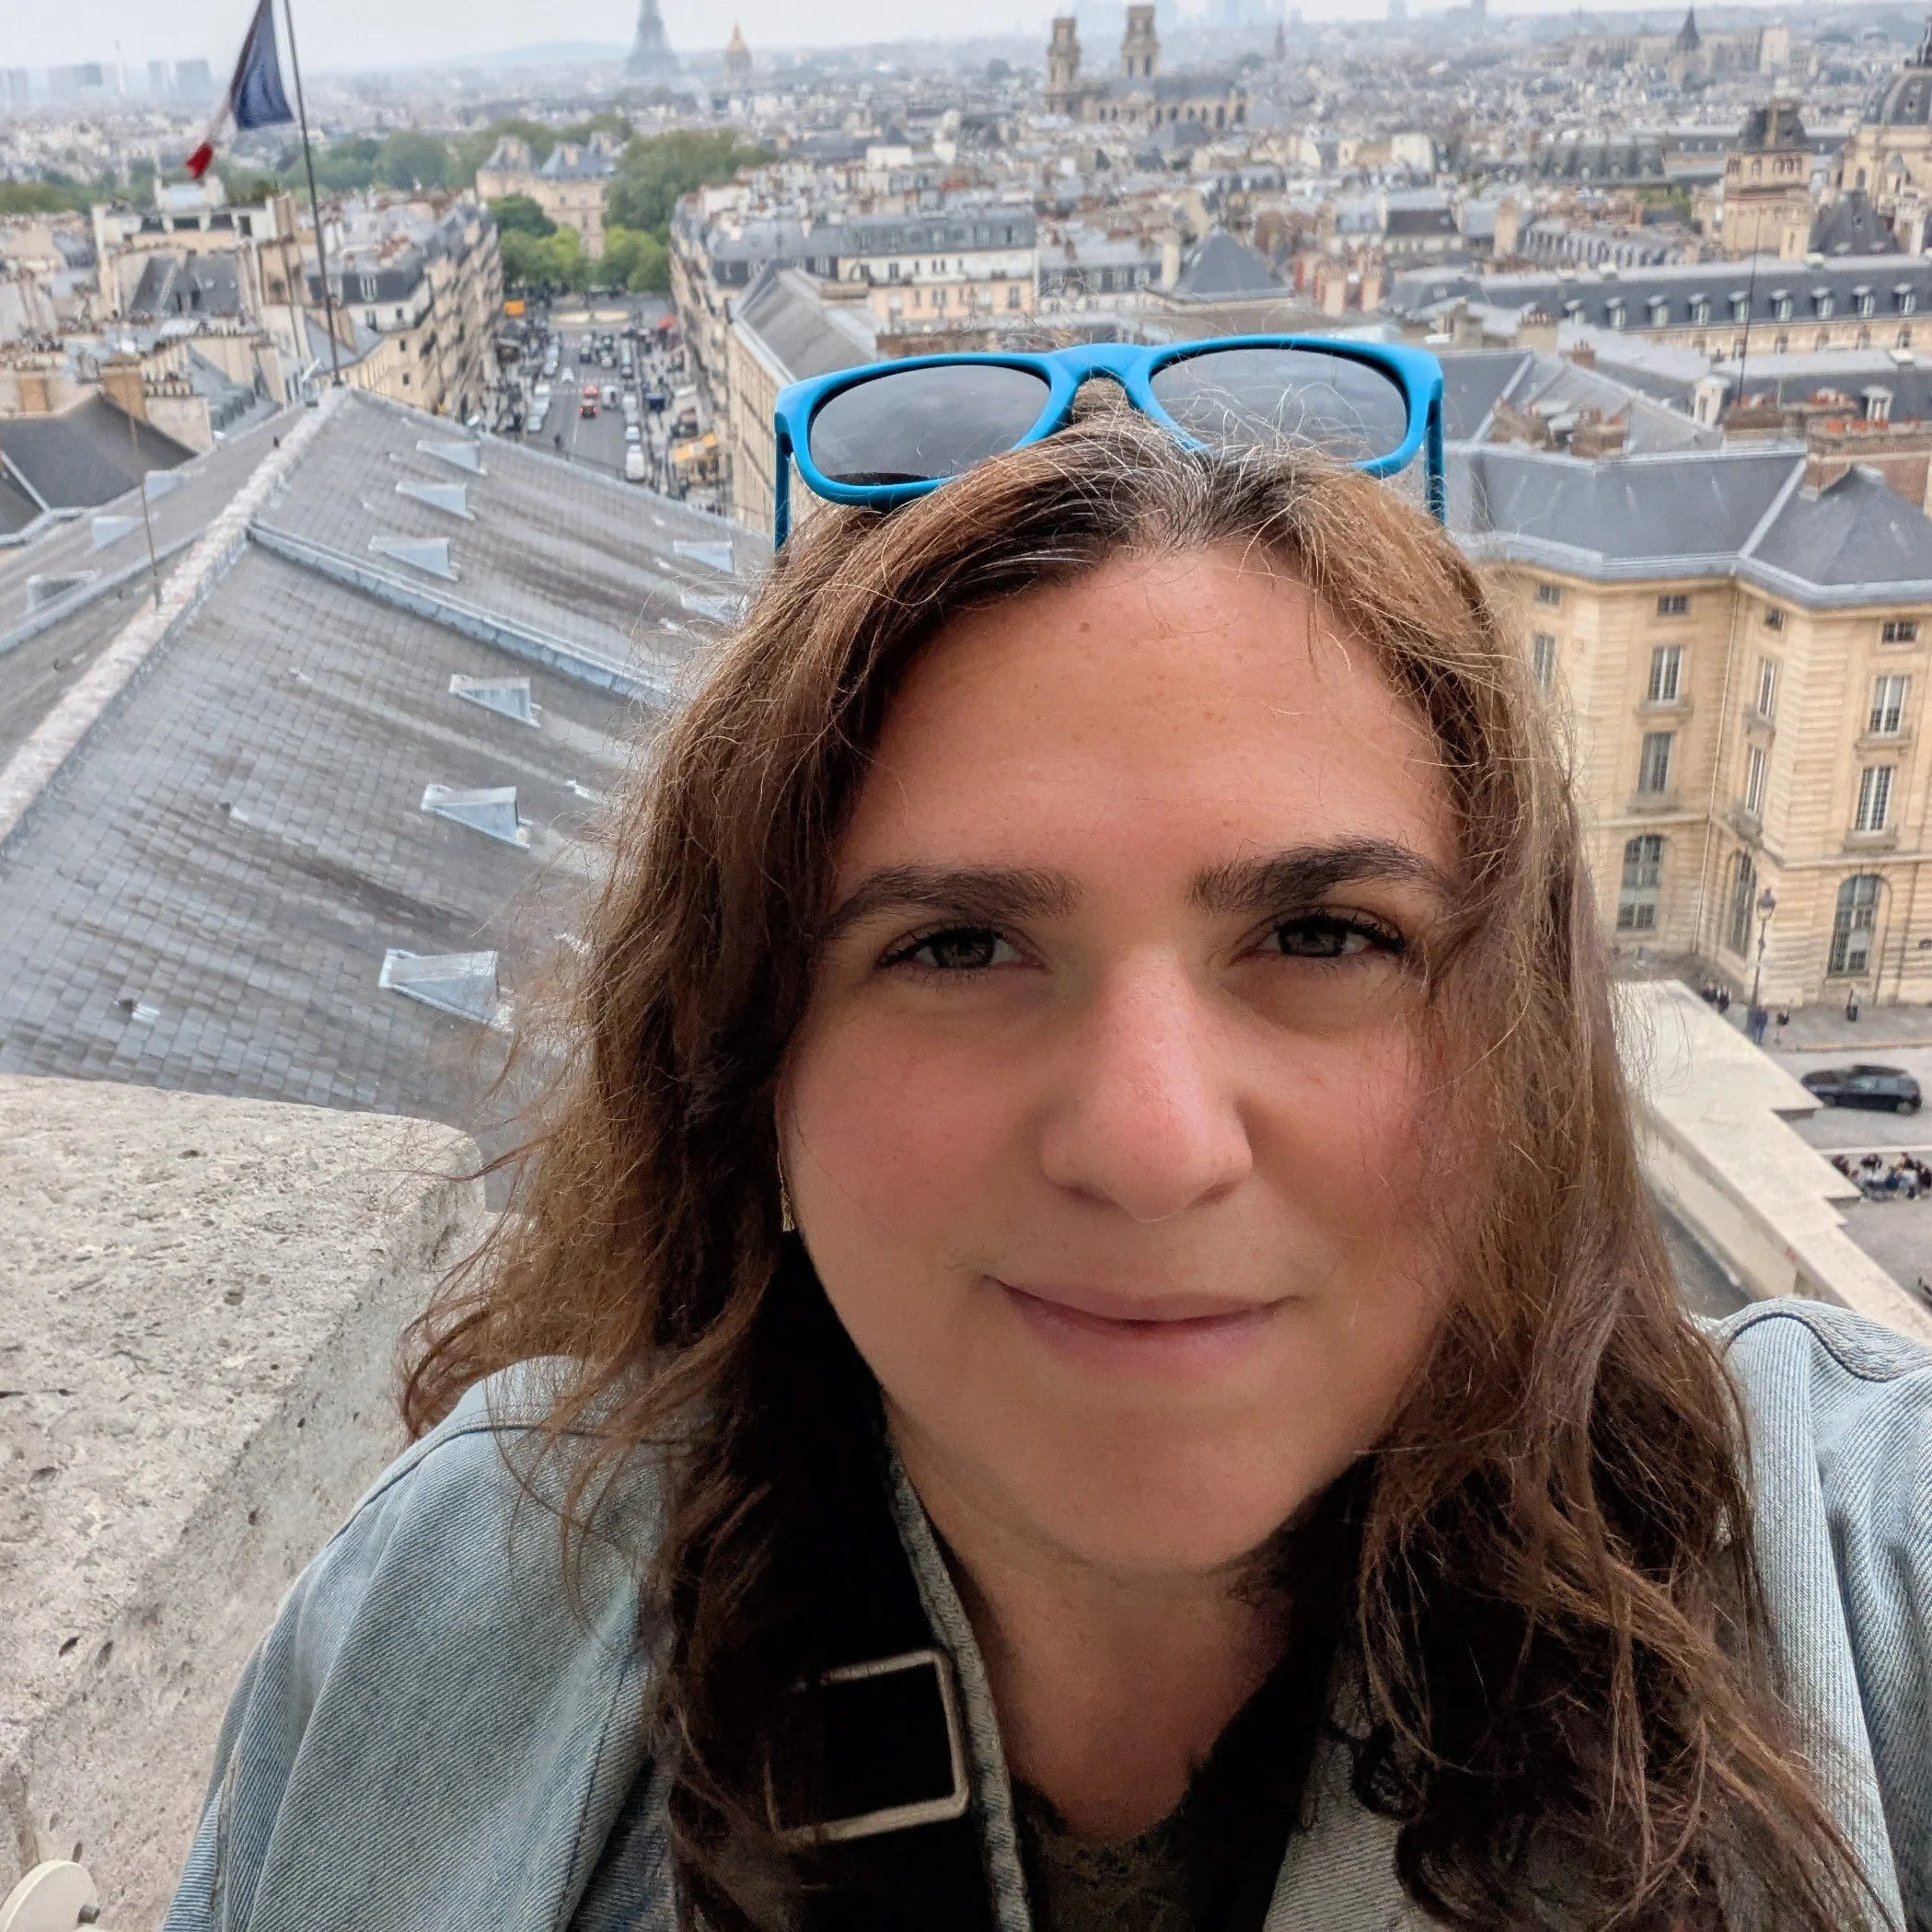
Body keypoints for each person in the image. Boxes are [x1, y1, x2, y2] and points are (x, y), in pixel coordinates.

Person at [163, 411, 1931, 1932]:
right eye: (954, 948)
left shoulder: (1876, 1570)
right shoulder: (436, 1602)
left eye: (1324, 933)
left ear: (1525, 1052)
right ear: (751, 1076)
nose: (1153, 1144)